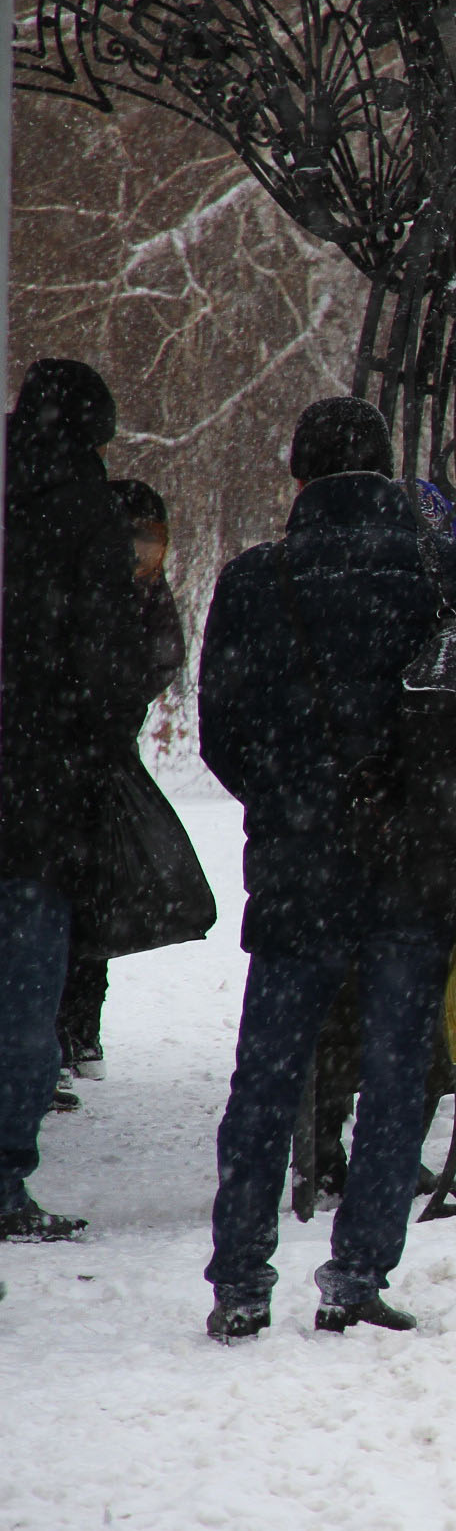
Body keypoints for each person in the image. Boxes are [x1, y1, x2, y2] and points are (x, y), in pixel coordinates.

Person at [197, 397, 456, 1339]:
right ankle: (359, 1270)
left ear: (299, 478)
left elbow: (221, 732)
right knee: (396, 1070)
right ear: (386, 473)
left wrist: (291, 799)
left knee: (268, 1076)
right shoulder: (445, 569)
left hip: (297, 867)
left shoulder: (255, 581)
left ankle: (242, 1280)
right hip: (413, 868)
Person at [0, 360, 151, 1243]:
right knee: (24, 996)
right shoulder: (87, 513)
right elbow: (108, 664)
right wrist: (94, 753)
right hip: (40, 795)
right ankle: (6, 1174)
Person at [54, 479, 190, 1087]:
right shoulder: (77, 595)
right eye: (132, 543)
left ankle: (80, 1030)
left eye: (152, 544)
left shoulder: (145, 601)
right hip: (57, 777)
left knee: (95, 903)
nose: (143, 558)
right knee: (61, 906)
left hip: (103, 772)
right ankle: (53, 1037)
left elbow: (164, 654)